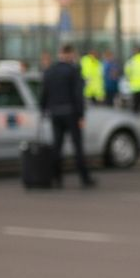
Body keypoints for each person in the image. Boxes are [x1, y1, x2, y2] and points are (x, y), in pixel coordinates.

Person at [38, 44, 95, 189]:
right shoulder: (73, 71)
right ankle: (84, 178)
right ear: (70, 54)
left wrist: (43, 109)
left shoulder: (49, 71)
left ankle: (56, 178)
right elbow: (78, 95)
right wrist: (81, 115)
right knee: (77, 146)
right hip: (71, 113)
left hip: (55, 113)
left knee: (57, 146)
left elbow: (43, 93)